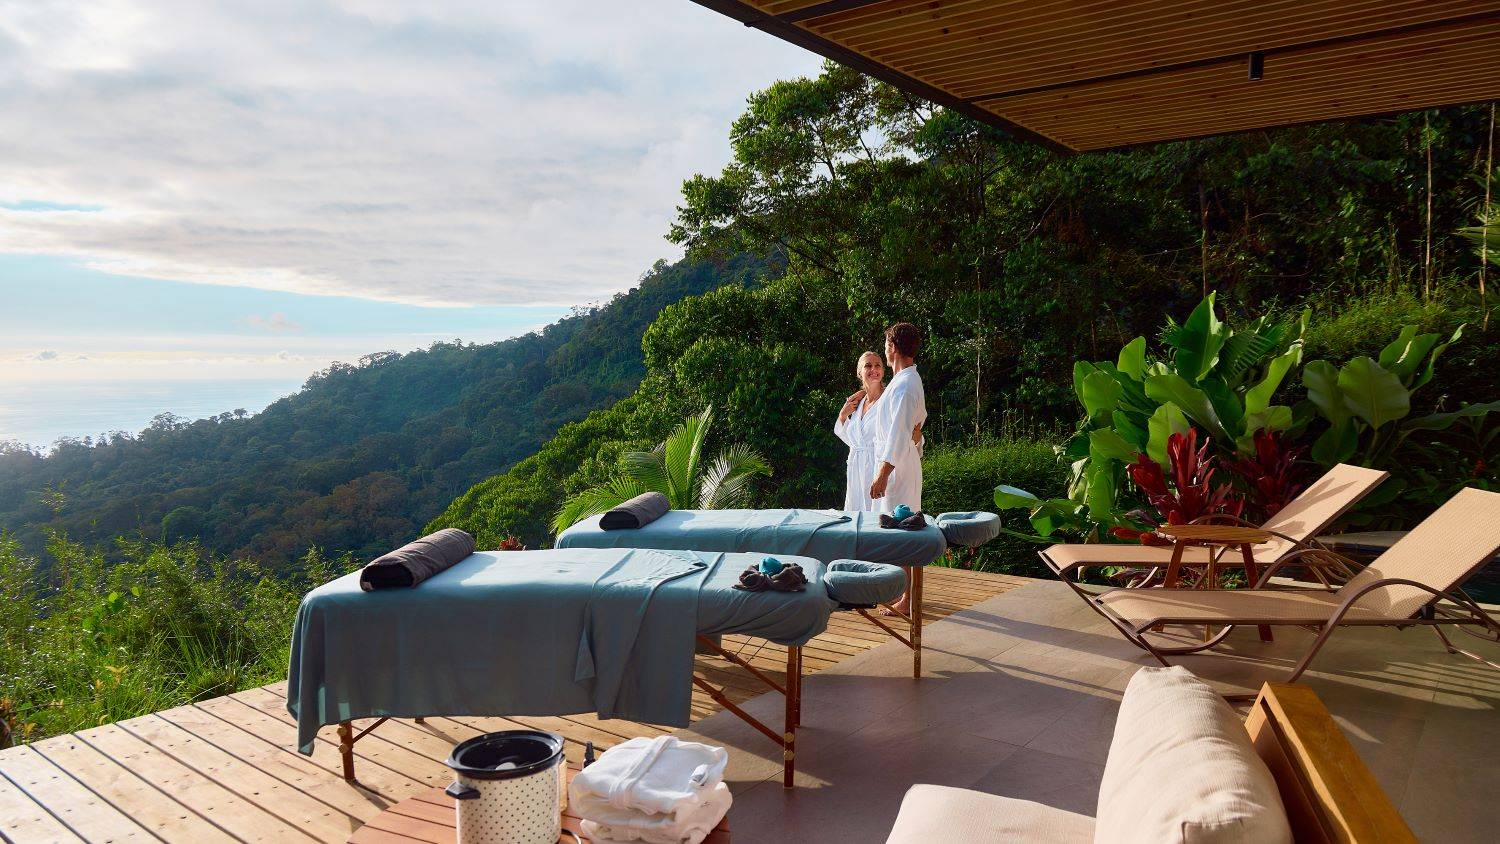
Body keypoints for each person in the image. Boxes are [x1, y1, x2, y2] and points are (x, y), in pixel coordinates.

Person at [869, 322, 926, 615]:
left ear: (892, 347)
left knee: (904, 532)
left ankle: (908, 599)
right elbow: (914, 429)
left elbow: (900, 433)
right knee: (899, 531)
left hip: (898, 469)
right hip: (900, 464)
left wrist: (882, 474)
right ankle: (904, 594)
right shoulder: (904, 380)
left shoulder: (905, 385)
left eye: (886, 345)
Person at [834, 351, 885, 511]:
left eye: (878, 365)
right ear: (859, 372)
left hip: (878, 469)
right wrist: (843, 415)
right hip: (856, 470)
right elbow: (853, 439)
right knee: (856, 515)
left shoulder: (888, 399)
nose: (873, 369)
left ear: (883, 371)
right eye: (868, 365)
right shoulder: (857, 403)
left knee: (876, 516)